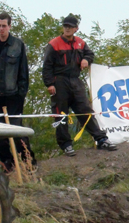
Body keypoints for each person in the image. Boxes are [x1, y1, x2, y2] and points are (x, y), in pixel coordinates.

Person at [42, 14, 117, 156]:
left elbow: (90, 53)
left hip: (75, 81)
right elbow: (46, 66)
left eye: (70, 26)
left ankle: (101, 139)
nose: (67, 28)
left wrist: (86, 59)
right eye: (65, 26)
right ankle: (66, 145)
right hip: (59, 81)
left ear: (76, 28)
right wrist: (50, 84)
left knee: (85, 110)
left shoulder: (81, 43)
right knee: (61, 114)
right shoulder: (54, 44)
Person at [0, 12, 34, 172]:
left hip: (13, 96)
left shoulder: (18, 45)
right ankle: (7, 163)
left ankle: (29, 162)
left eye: (4, 26)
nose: (1, 29)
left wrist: (21, 94)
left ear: (9, 26)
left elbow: (23, 72)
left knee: (17, 132)